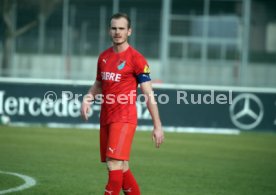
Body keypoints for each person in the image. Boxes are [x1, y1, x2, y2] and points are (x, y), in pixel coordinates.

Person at [81, 13, 164, 195]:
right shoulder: (103, 57)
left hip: (124, 119)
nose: (117, 32)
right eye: (114, 28)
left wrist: (157, 126)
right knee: (121, 166)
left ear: (129, 31)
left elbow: (149, 93)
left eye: (121, 29)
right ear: (109, 30)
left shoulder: (136, 59)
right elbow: (98, 84)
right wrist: (88, 98)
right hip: (106, 118)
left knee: (114, 162)